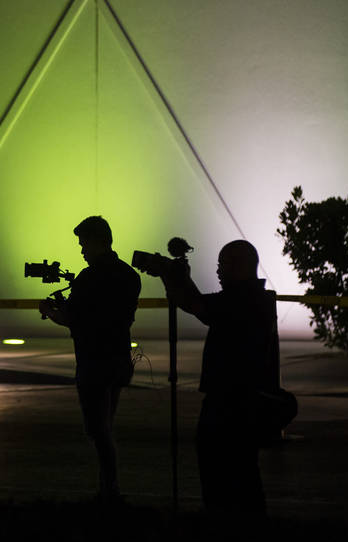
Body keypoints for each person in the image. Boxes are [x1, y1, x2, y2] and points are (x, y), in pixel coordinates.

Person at [158, 239, 281, 524]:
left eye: (222, 265)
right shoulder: (253, 298)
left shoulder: (241, 300)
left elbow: (195, 305)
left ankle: (224, 522)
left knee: (222, 468)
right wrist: (180, 279)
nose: (218, 272)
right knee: (244, 472)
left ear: (238, 266)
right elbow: (200, 306)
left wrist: (171, 276)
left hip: (230, 401)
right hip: (243, 399)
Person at [38, 215, 141, 502]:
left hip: (93, 362)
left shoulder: (89, 277)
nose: (82, 250)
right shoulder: (130, 276)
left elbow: (73, 319)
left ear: (97, 241)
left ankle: (109, 489)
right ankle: (108, 487)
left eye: (84, 244)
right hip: (119, 359)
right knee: (105, 425)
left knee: (97, 430)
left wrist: (49, 311)